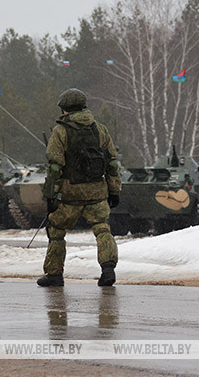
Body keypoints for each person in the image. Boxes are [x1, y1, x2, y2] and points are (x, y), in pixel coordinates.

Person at [38, 88, 122, 287]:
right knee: (102, 228)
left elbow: (55, 167)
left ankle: (54, 274)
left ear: (64, 109)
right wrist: (114, 190)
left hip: (70, 193)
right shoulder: (100, 129)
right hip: (97, 191)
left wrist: (50, 195)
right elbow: (112, 163)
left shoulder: (61, 131)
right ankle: (108, 268)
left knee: (56, 229)